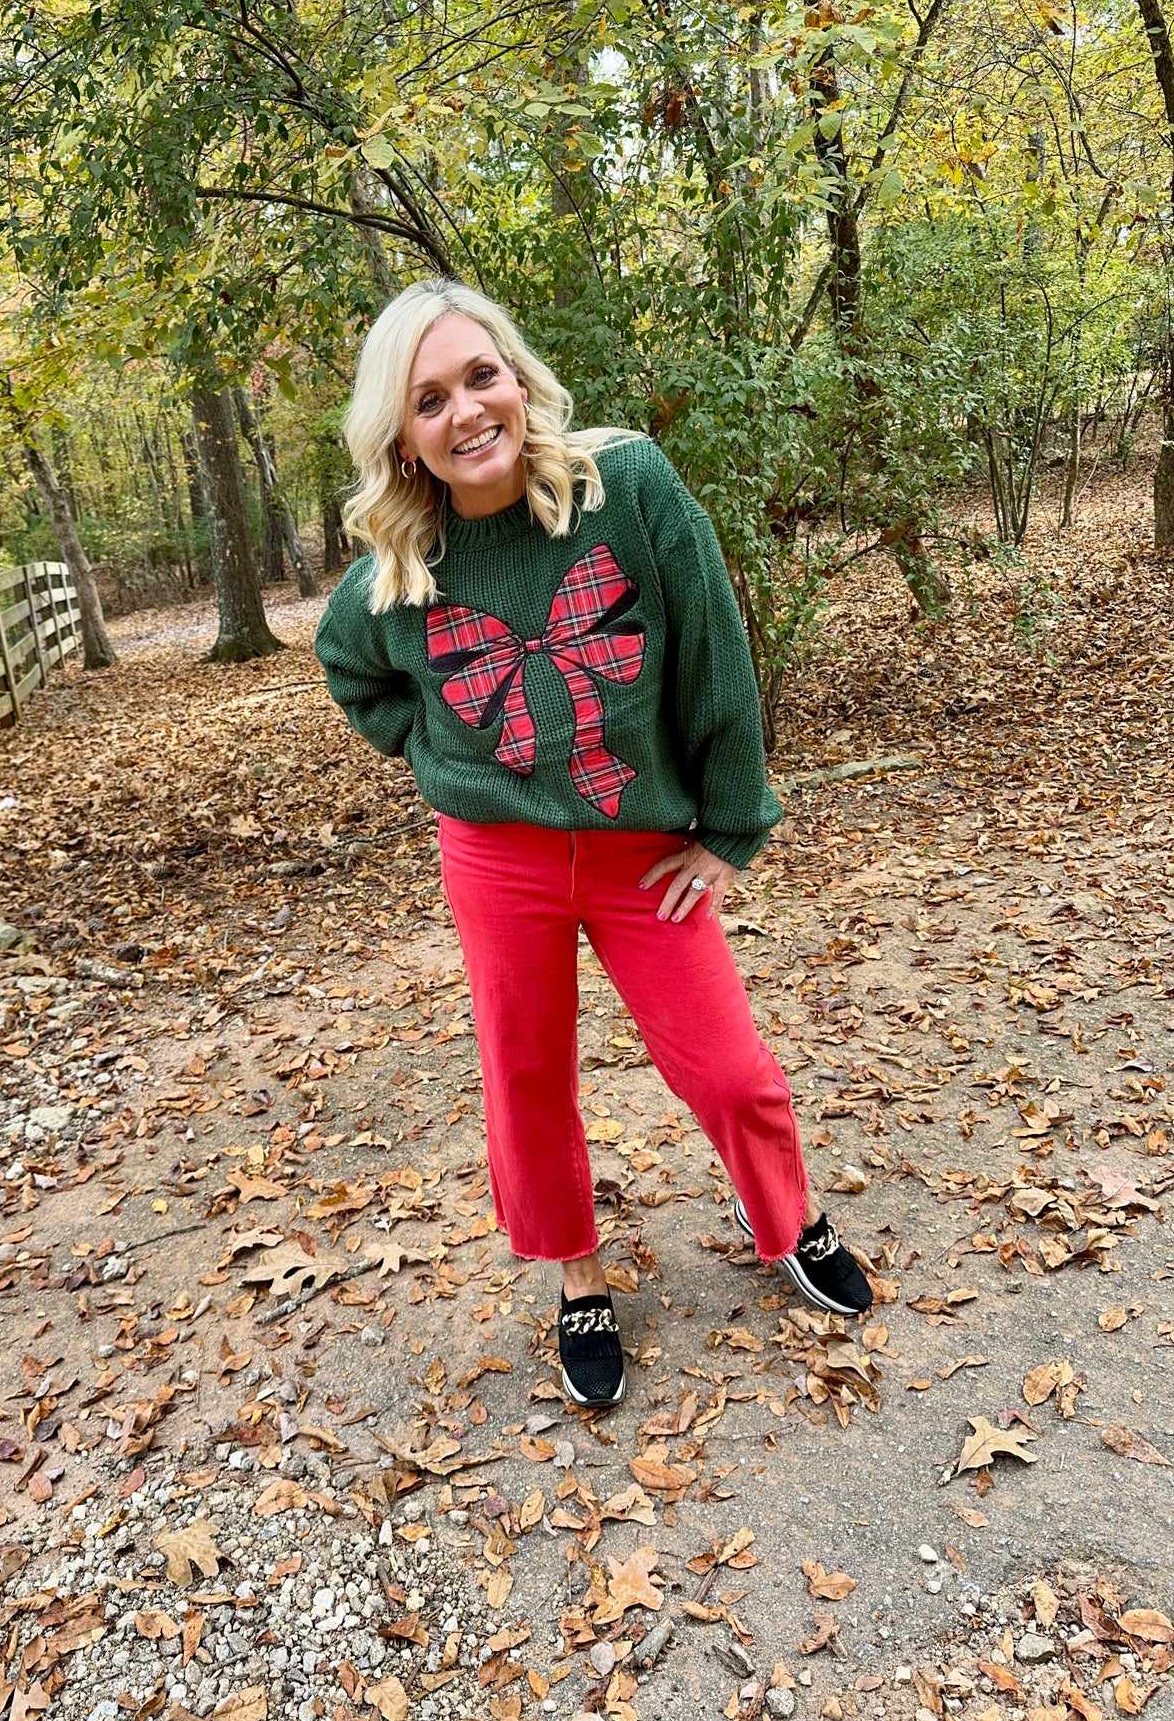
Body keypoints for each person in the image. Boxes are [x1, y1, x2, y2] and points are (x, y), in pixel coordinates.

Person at [315, 278, 871, 1409]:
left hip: (637, 850)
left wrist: (729, 822)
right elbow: (348, 667)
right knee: (525, 1079)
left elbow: (711, 646)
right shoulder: (398, 568)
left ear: (516, 378)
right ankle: (576, 1277)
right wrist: (435, 758)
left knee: (725, 1067)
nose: (467, 411)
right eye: (429, 399)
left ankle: (785, 1216)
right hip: (495, 858)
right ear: (402, 436)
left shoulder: (626, 487)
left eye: (481, 375)